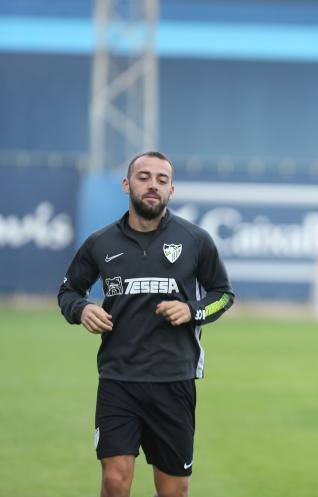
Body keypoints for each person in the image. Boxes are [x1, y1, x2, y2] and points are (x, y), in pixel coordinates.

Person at [58, 151, 234, 497]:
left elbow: (223, 295)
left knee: (173, 491)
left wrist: (192, 310)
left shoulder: (195, 240)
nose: (152, 185)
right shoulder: (100, 242)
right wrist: (81, 310)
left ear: (171, 190)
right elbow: (68, 291)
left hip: (174, 380)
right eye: (144, 177)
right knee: (114, 480)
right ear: (127, 185)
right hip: (118, 379)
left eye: (161, 180)